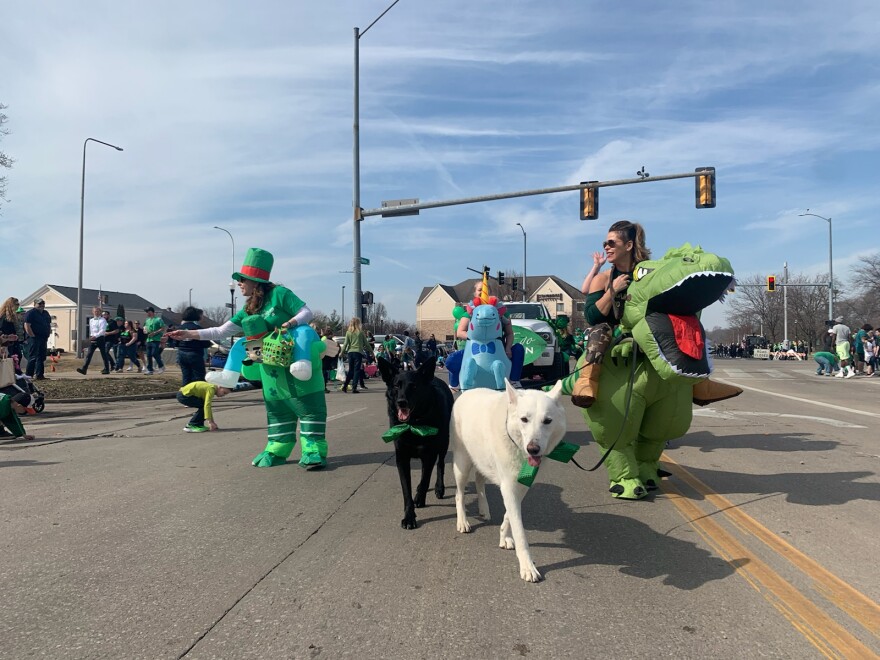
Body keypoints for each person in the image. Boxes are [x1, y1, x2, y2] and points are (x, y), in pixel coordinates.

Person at [167, 247, 328, 469]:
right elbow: (221, 331)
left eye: (242, 279)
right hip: (270, 365)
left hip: (291, 350)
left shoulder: (280, 294)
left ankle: (313, 448)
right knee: (277, 408)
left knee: (308, 407)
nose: (239, 283)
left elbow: (306, 313)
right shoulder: (248, 308)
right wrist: (188, 334)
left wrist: (290, 323)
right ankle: (276, 444)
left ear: (255, 281)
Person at [176, 307, 211, 386]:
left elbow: (175, 343)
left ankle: (185, 395)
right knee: (199, 376)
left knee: (186, 376)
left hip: (181, 353)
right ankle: (198, 396)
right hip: (195, 354)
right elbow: (206, 343)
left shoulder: (179, 328)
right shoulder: (198, 329)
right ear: (196, 316)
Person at [76, 306, 112, 375]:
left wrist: (95, 336)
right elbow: (92, 330)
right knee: (89, 354)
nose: (96, 312)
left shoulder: (103, 320)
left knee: (104, 354)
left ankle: (107, 369)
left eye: (98, 311)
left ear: (100, 312)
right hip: (92, 338)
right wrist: (91, 336)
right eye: (95, 311)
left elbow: (102, 330)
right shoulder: (91, 320)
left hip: (100, 338)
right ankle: (84, 369)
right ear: (92, 312)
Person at [23, 298, 52, 380]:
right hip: (34, 338)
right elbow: (27, 325)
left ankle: (39, 375)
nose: (41, 305)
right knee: (33, 356)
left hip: (43, 337)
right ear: (35, 304)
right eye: (39, 304)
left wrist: (48, 332)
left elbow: (48, 324)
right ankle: (29, 375)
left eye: (43, 304)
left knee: (41, 356)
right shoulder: (30, 313)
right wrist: (32, 335)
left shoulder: (45, 313)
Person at [340, 317, 369, 393]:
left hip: (350, 352)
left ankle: (345, 386)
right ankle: (354, 387)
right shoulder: (360, 332)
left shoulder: (348, 332)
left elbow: (345, 344)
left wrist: (342, 352)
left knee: (351, 371)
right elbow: (366, 343)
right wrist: (371, 352)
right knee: (357, 370)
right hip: (358, 352)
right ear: (358, 323)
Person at [143, 307, 166, 375]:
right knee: (149, 355)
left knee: (154, 353)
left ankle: (161, 366)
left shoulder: (158, 319)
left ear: (152, 312)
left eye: (148, 311)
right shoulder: (147, 320)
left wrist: (155, 333)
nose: (147, 313)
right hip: (148, 339)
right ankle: (150, 370)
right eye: (146, 312)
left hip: (156, 339)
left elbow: (163, 328)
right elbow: (145, 327)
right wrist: (144, 330)